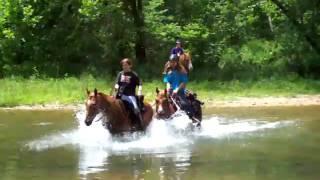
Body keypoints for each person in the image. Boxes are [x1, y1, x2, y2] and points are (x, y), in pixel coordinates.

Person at [114, 58, 143, 130]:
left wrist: (139, 91)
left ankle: (137, 123)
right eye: (123, 65)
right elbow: (117, 83)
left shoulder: (134, 74)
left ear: (130, 65)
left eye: (126, 65)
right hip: (120, 94)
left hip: (130, 95)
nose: (124, 67)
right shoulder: (120, 74)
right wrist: (116, 86)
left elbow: (140, 83)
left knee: (135, 108)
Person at [163, 55, 195, 120]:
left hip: (180, 91)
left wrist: (176, 90)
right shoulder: (168, 70)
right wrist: (168, 88)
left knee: (185, 104)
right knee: (161, 102)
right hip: (171, 90)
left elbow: (184, 82)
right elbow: (167, 81)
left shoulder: (182, 70)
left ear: (177, 62)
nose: (172, 64)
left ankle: (192, 118)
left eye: (174, 62)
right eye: (171, 62)